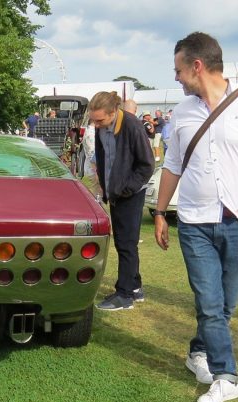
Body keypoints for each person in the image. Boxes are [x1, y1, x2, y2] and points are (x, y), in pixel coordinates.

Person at [154, 32, 238, 402]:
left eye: (178, 70)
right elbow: (173, 164)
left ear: (197, 66)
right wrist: (160, 212)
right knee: (209, 303)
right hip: (193, 221)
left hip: (237, 220)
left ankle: (198, 351)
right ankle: (227, 377)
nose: (175, 78)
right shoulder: (181, 111)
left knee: (225, 305)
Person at [90, 91, 154, 311]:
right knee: (123, 242)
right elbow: (102, 157)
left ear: (113, 112)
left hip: (130, 194)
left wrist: (127, 189)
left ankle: (124, 295)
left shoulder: (132, 126)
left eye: (100, 120)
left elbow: (147, 165)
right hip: (115, 193)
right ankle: (135, 287)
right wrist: (105, 186)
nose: (96, 125)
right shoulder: (100, 128)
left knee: (126, 243)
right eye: (93, 120)